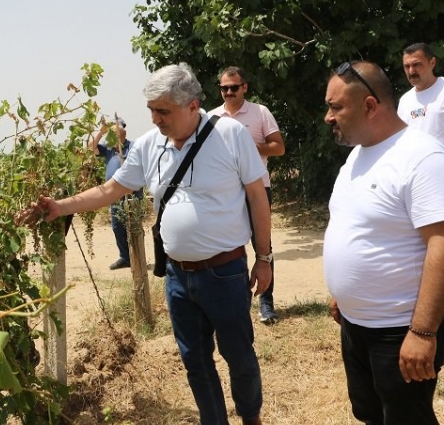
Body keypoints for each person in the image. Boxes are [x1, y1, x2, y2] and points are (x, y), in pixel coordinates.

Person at [18, 63, 272, 425]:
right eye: (152, 110)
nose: (155, 119)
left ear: (192, 106)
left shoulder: (231, 135)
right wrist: (60, 207)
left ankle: (251, 418)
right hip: (178, 278)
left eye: (163, 111)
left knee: (240, 358)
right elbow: (111, 190)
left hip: (225, 273)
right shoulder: (150, 145)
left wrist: (263, 258)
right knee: (196, 364)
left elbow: (257, 197)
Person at [323, 60, 444, 424]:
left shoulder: (422, 156)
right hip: (356, 326)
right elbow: (354, 225)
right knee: (369, 413)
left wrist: (422, 332)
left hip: (400, 330)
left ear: (370, 106)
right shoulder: (357, 155)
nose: (328, 116)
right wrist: (343, 292)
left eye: (336, 106)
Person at [397, 42, 444, 338]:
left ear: (432, 62)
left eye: (417, 64)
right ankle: (428, 310)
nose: (412, 71)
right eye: (406, 67)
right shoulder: (404, 101)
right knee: (419, 248)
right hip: (413, 186)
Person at [208, 66, 285, 324]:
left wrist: (249, 147)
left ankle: (266, 303)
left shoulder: (260, 112)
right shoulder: (210, 118)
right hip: (225, 192)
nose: (228, 92)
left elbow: (279, 148)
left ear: (245, 87)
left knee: (263, 247)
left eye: (234, 87)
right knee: (228, 247)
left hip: (257, 189)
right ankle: (236, 302)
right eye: (224, 88)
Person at [89, 117, 144, 270]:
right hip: (114, 195)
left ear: (123, 135)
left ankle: (138, 258)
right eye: (110, 136)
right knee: (117, 226)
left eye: (114, 136)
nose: (110, 139)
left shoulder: (133, 147)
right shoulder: (108, 149)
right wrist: (101, 132)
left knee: (133, 226)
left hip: (132, 194)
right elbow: (90, 147)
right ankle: (125, 258)